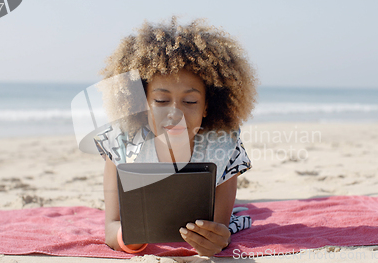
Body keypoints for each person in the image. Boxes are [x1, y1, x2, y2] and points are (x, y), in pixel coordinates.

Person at [94, 17, 257, 256]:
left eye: (190, 101)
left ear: (206, 107)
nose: (175, 113)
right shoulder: (122, 144)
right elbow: (112, 226)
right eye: (161, 100)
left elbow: (220, 229)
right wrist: (132, 239)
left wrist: (217, 240)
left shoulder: (222, 147)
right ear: (143, 104)